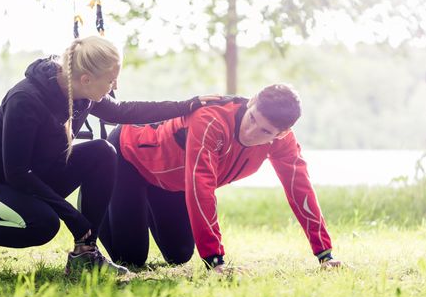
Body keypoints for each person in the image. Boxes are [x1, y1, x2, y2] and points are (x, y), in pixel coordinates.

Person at [0, 35, 217, 278]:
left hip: (28, 180)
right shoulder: (25, 100)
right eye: (110, 80)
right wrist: (71, 214)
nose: (114, 86)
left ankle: (85, 254)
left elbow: (124, 112)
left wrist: (187, 105)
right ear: (86, 79)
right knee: (45, 224)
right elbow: (16, 173)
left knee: (102, 152)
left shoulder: (82, 94)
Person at [99, 84, 342, 273]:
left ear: (282, 133)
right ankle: (93, 209)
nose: (251, 132)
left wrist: (325, 254)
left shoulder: (283, 143)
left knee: (180, 255)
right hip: (129, 155)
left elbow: (300, 190)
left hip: (170, 181)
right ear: (253, 101)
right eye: (253, 118)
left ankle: (144, 205)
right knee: (131, 258)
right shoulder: (212, 120)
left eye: (265, 131)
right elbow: (200, 187)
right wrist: (215, 261)